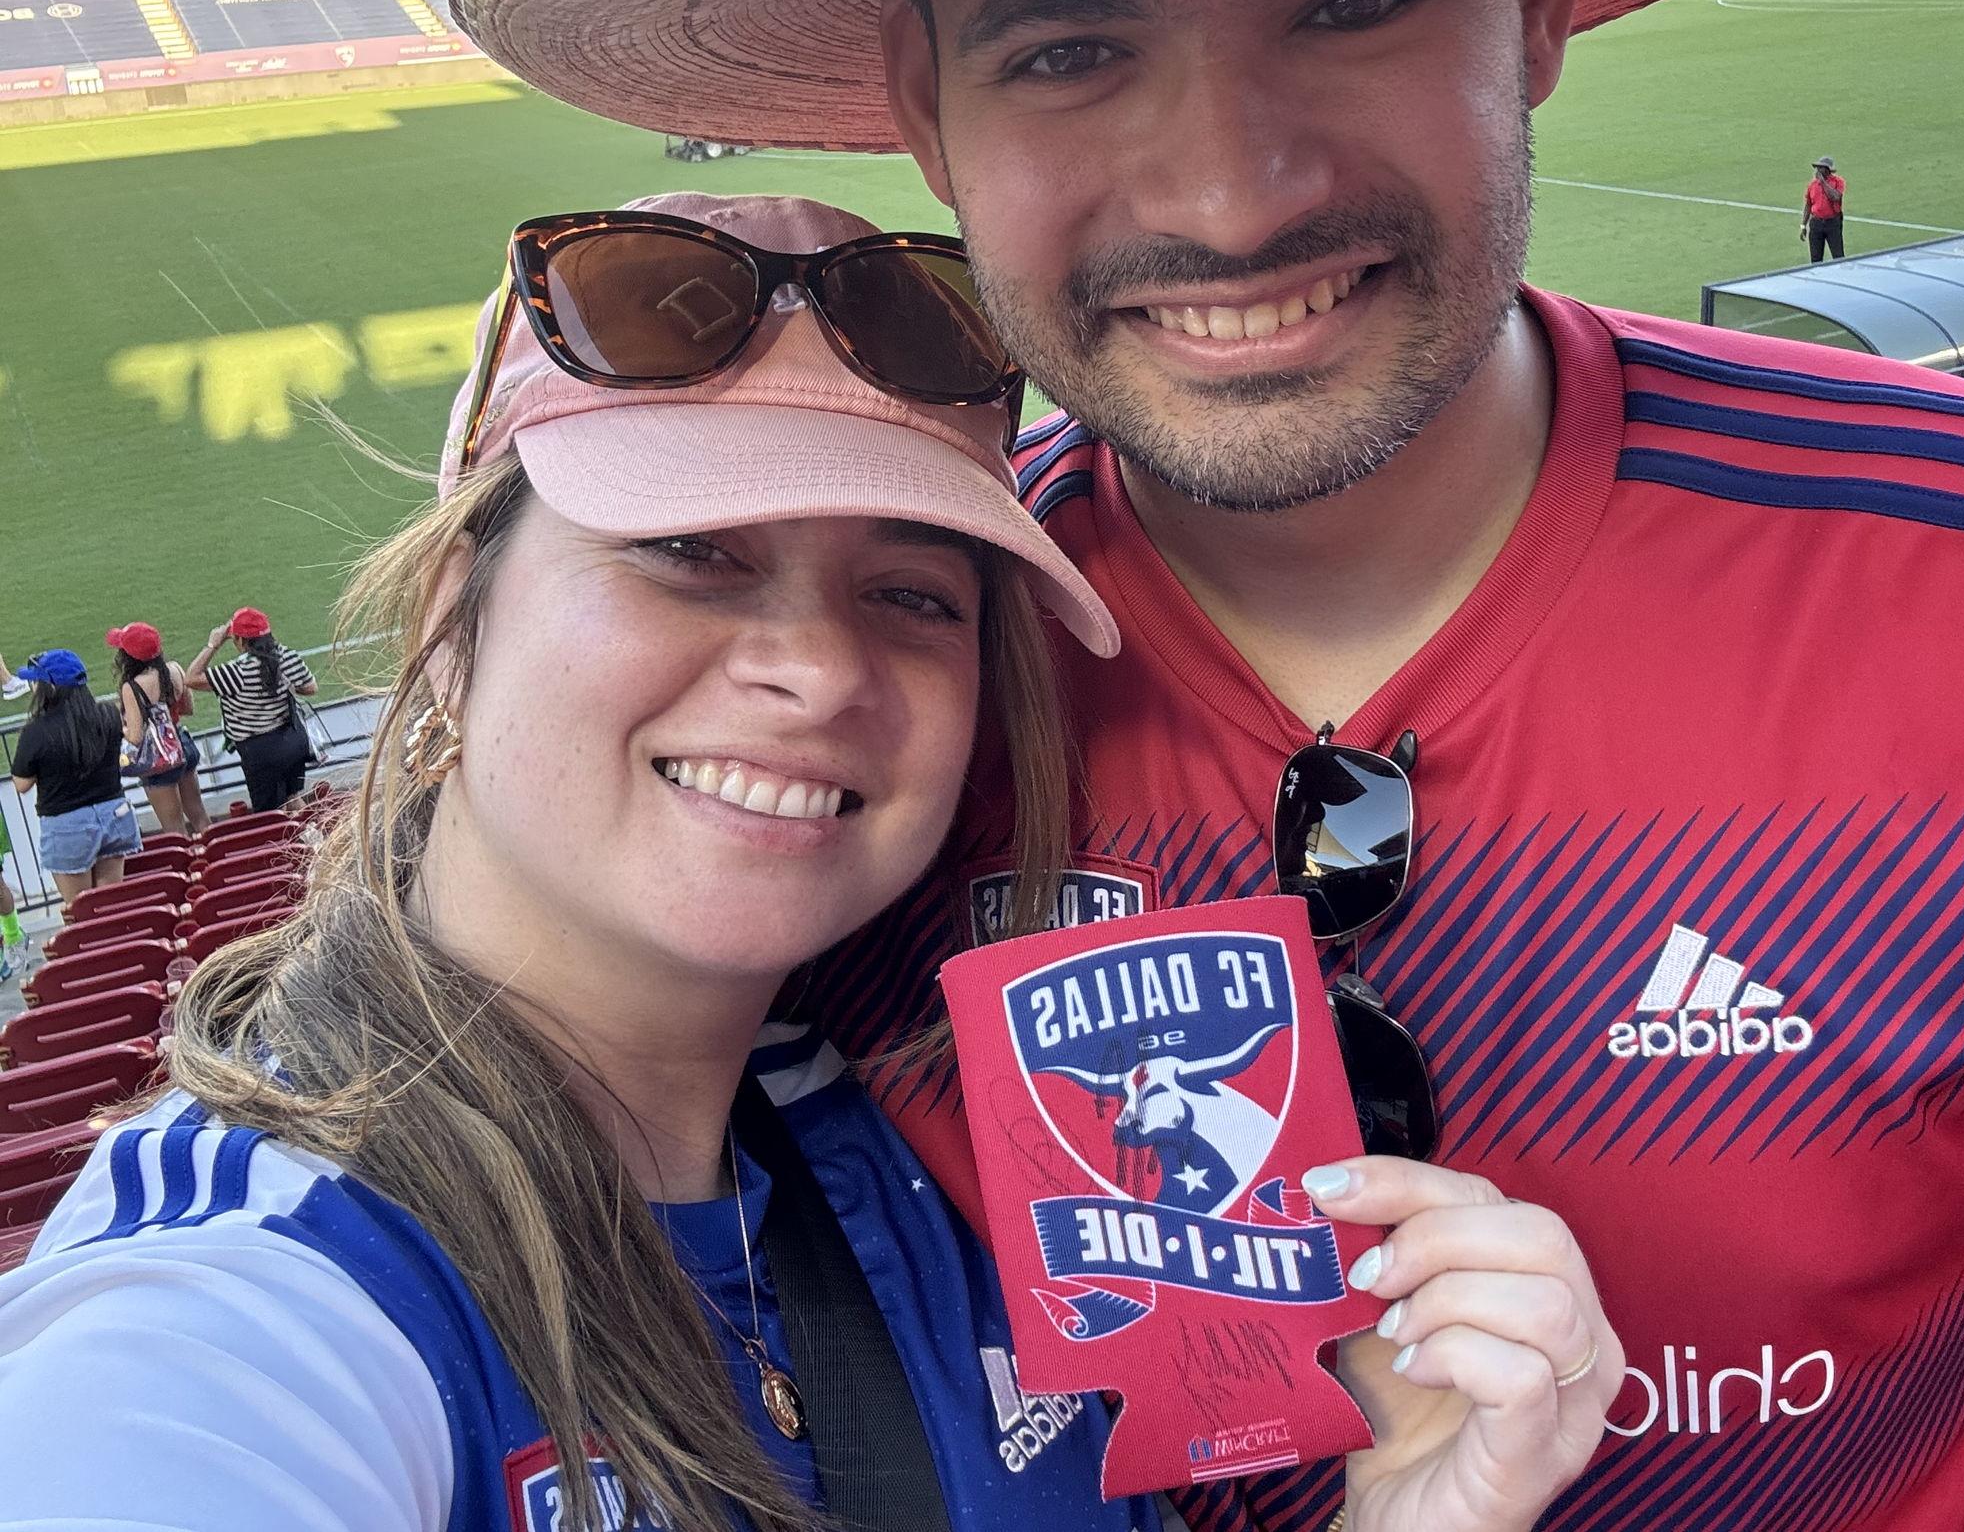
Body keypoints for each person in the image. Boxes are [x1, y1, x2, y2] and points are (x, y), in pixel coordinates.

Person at [444, 0, 1964, 1531]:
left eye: (1357, 1)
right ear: (927, 108)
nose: (1224, 193)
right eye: (1070, 49)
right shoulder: (837, 724)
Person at [0, 193, 1616, 1532]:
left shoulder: (930, 1140)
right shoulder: (256, 1288)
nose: (816, 670)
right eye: (689, 556)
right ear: (449, 626)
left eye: (912, 594)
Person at [8, 648, 142, 906]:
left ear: (50, 687)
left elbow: (22, 784)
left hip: (67, 825)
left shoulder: (36, 731)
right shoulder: (107, 714)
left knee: (81, 913)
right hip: (115, 814)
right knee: (111, 907)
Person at [187, 607, 316, 813]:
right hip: (293, 740)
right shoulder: (286, 656)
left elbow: (191, 678)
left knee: (271, 815)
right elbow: (310, 688)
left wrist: (213, 644)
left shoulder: (236, 672)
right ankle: (312, 839)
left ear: (240, 640)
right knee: (293, 798)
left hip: (260, 751)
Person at [107, 620, 208, 836]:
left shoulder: (132, 686)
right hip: (183, 743)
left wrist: (118, 727)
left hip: (160, 760)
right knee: (199, 815)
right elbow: (188, 709)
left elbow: (135, 736)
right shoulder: (174, 670)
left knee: (175, 831)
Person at [1802, 155, 1848, 262]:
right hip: (1816, 224)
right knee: (1815, 258)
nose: (1817, 170)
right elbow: (1808, 205)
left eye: (1820, 167)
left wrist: (1823, 182)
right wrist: (1803, 225)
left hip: (1832, 223)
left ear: (1827, 169)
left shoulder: (1838, 182)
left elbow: (1835, 197)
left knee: (1838, 256)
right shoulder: (1812, 185)